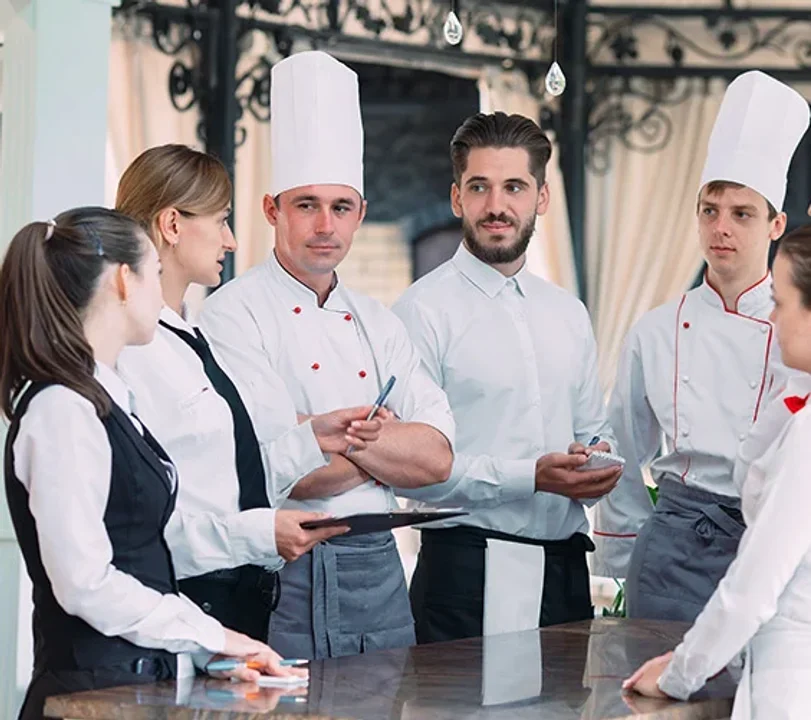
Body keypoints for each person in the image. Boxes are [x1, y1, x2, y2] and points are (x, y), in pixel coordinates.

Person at [198, 51, 455, 660]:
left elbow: (439, 458)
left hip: (382, 572)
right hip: (285, 568)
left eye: (341, 207)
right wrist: (384, 453)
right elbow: (282, 471)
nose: (324, 225)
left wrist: (330, 440)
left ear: (361, 215)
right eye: (305, 204)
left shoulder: (379, 320)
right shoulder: (231, 314)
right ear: (271, 210)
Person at [0, 208, 304, 720]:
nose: (162, 294)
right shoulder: (61, 410)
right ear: (124, 280)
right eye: (155, 276)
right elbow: (85, 583)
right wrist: (215, 635)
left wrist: (212, 655)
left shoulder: (103, 400)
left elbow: (143, 557)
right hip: (89, 698)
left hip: (130, 690)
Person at [114, 144, 384, 642]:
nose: (232, 240)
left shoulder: (187, 335)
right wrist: (263, 532)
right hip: (192, 596)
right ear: (172, 225)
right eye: (220, 221)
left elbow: (223, 472)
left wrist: (313, 440)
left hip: (235, 590)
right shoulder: (133, 353)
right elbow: (144, 525)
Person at [391, 111, 621, 643]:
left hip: (564, 575)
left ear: (540, 197)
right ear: (457, 199)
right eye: (480, 187)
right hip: (463, 574)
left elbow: (590, 428)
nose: (497, 206)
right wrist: (531, 476)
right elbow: (411, 471)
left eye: (514, 187)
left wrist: (596, 457)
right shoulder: (420, 312)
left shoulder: (569, 312)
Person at [592, 70, 810, 622]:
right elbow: (621, 445)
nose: (722, 229)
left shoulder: (801, 330)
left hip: (771, 542)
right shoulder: (656, 329)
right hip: (673, 545)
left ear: (776, 224)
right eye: (710, 211)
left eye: (741, 214)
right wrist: (632, 542)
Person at [624, 223, 811, 719]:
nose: (772, 318)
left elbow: (752, 587)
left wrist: (677, 674)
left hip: (787, 680)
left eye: (781, 302)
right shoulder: (796, 408)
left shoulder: (808, 432)